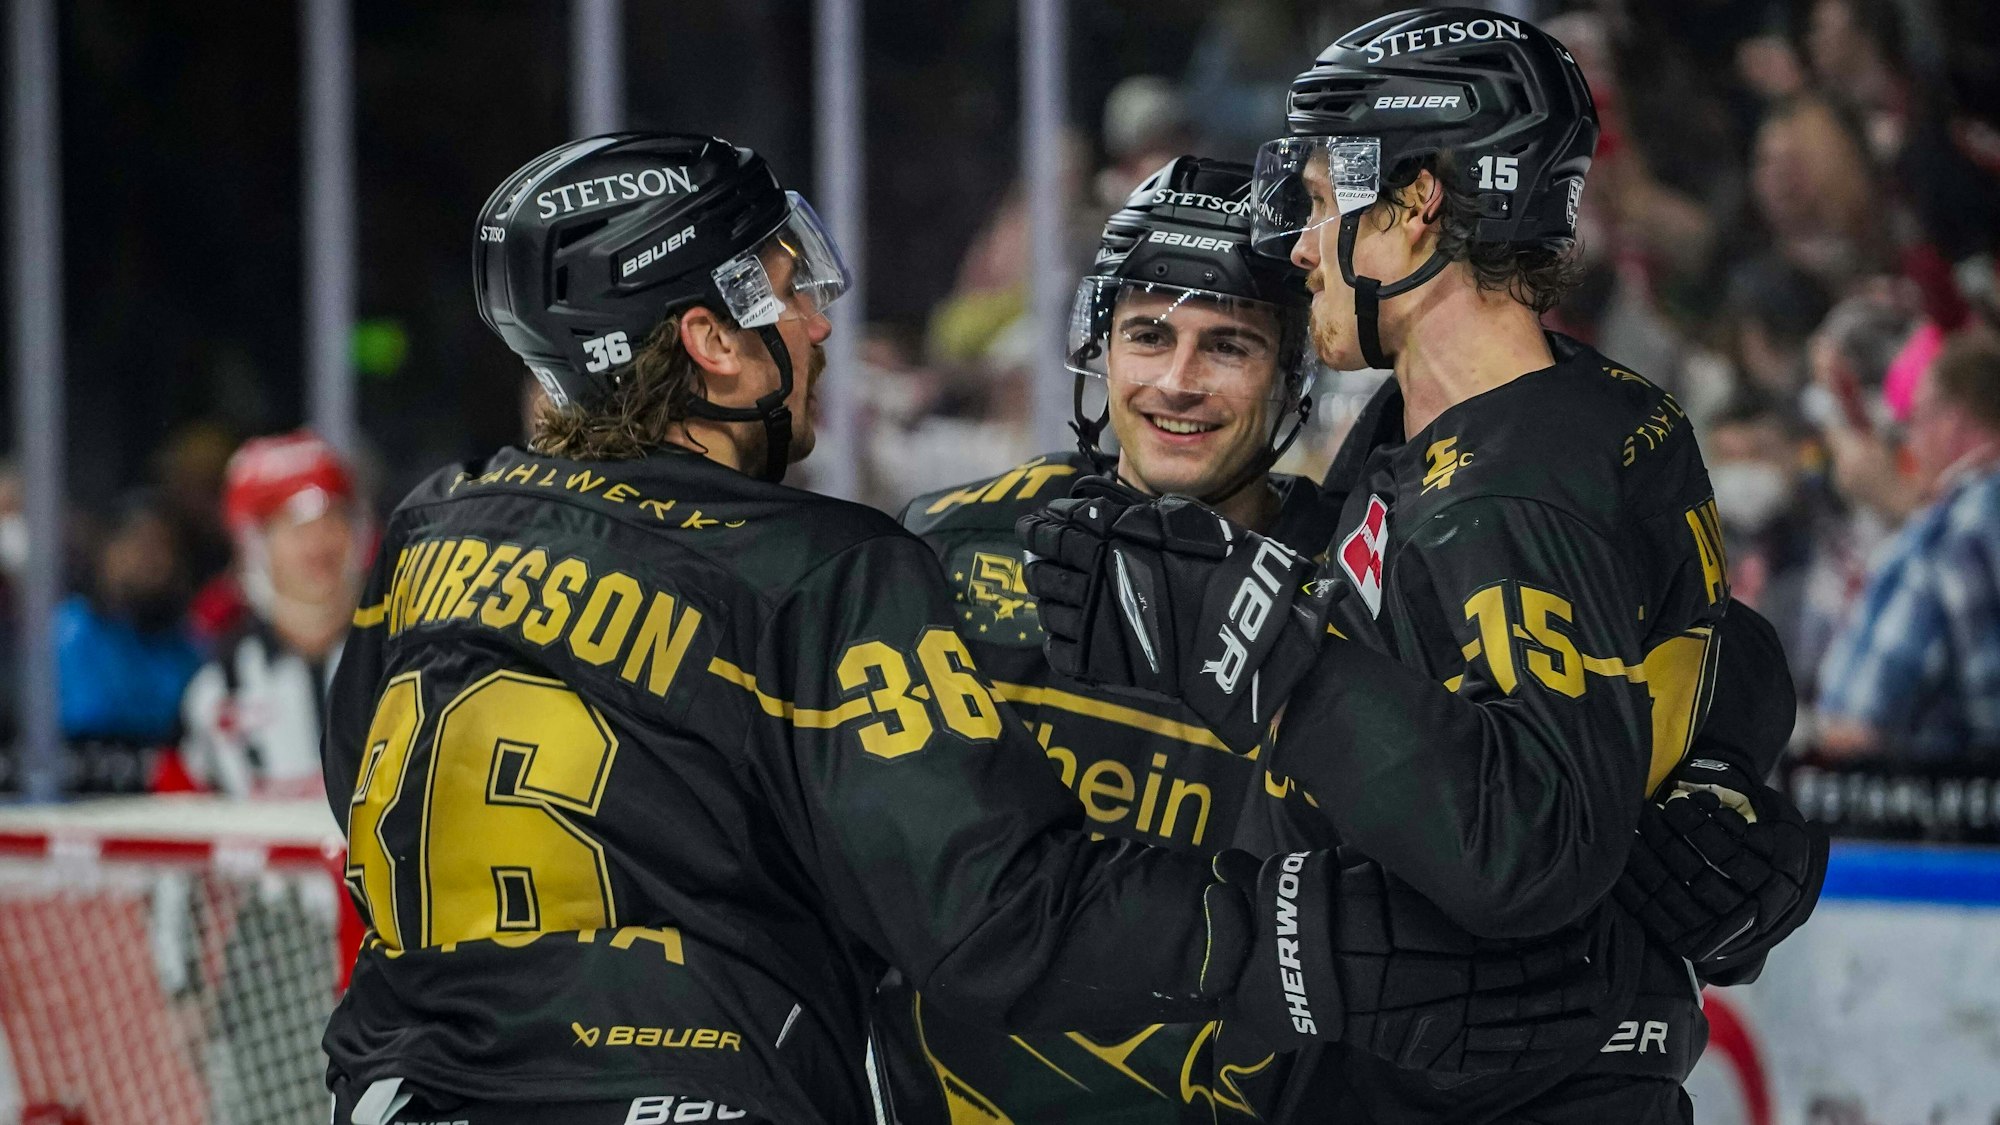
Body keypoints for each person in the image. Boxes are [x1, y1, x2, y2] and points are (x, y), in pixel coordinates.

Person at [319, 133, 1605, 1125]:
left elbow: (366, 802)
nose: (819, 320)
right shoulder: (851, 564)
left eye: (1227, 344)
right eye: (786, 289)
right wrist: (1329, 943)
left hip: (400, 1088)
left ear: (1287, 375)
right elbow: (996, 911)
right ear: (707, 340)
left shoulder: (430, 532)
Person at [893, 157, 1823, 1123]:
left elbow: (1691, 644)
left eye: (1228, 344)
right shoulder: (955, 550)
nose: (1177, 382)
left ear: (1292, 371)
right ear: (1100, 344)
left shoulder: (1375, 549)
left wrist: (1715, 778)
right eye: (1148, 334)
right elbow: (903, 870)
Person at [1817, 328, 2000, 759]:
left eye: (1914, 422)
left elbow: (1869, 715)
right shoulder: (1958, 513)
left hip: (1923, 786)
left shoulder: (1970, 516)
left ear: (1952, 421)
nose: (1910, 446)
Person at [179, 430, 366, 799]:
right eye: (296, 526)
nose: (319, 542)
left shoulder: (409, 665)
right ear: (256, 546)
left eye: (333, 519)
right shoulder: (214, 692)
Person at [56, 493, 200, 752]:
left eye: (163, 547)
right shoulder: (69, 631)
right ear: (107, 551)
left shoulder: (186, 643)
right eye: (139, 546)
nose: (151, 561)